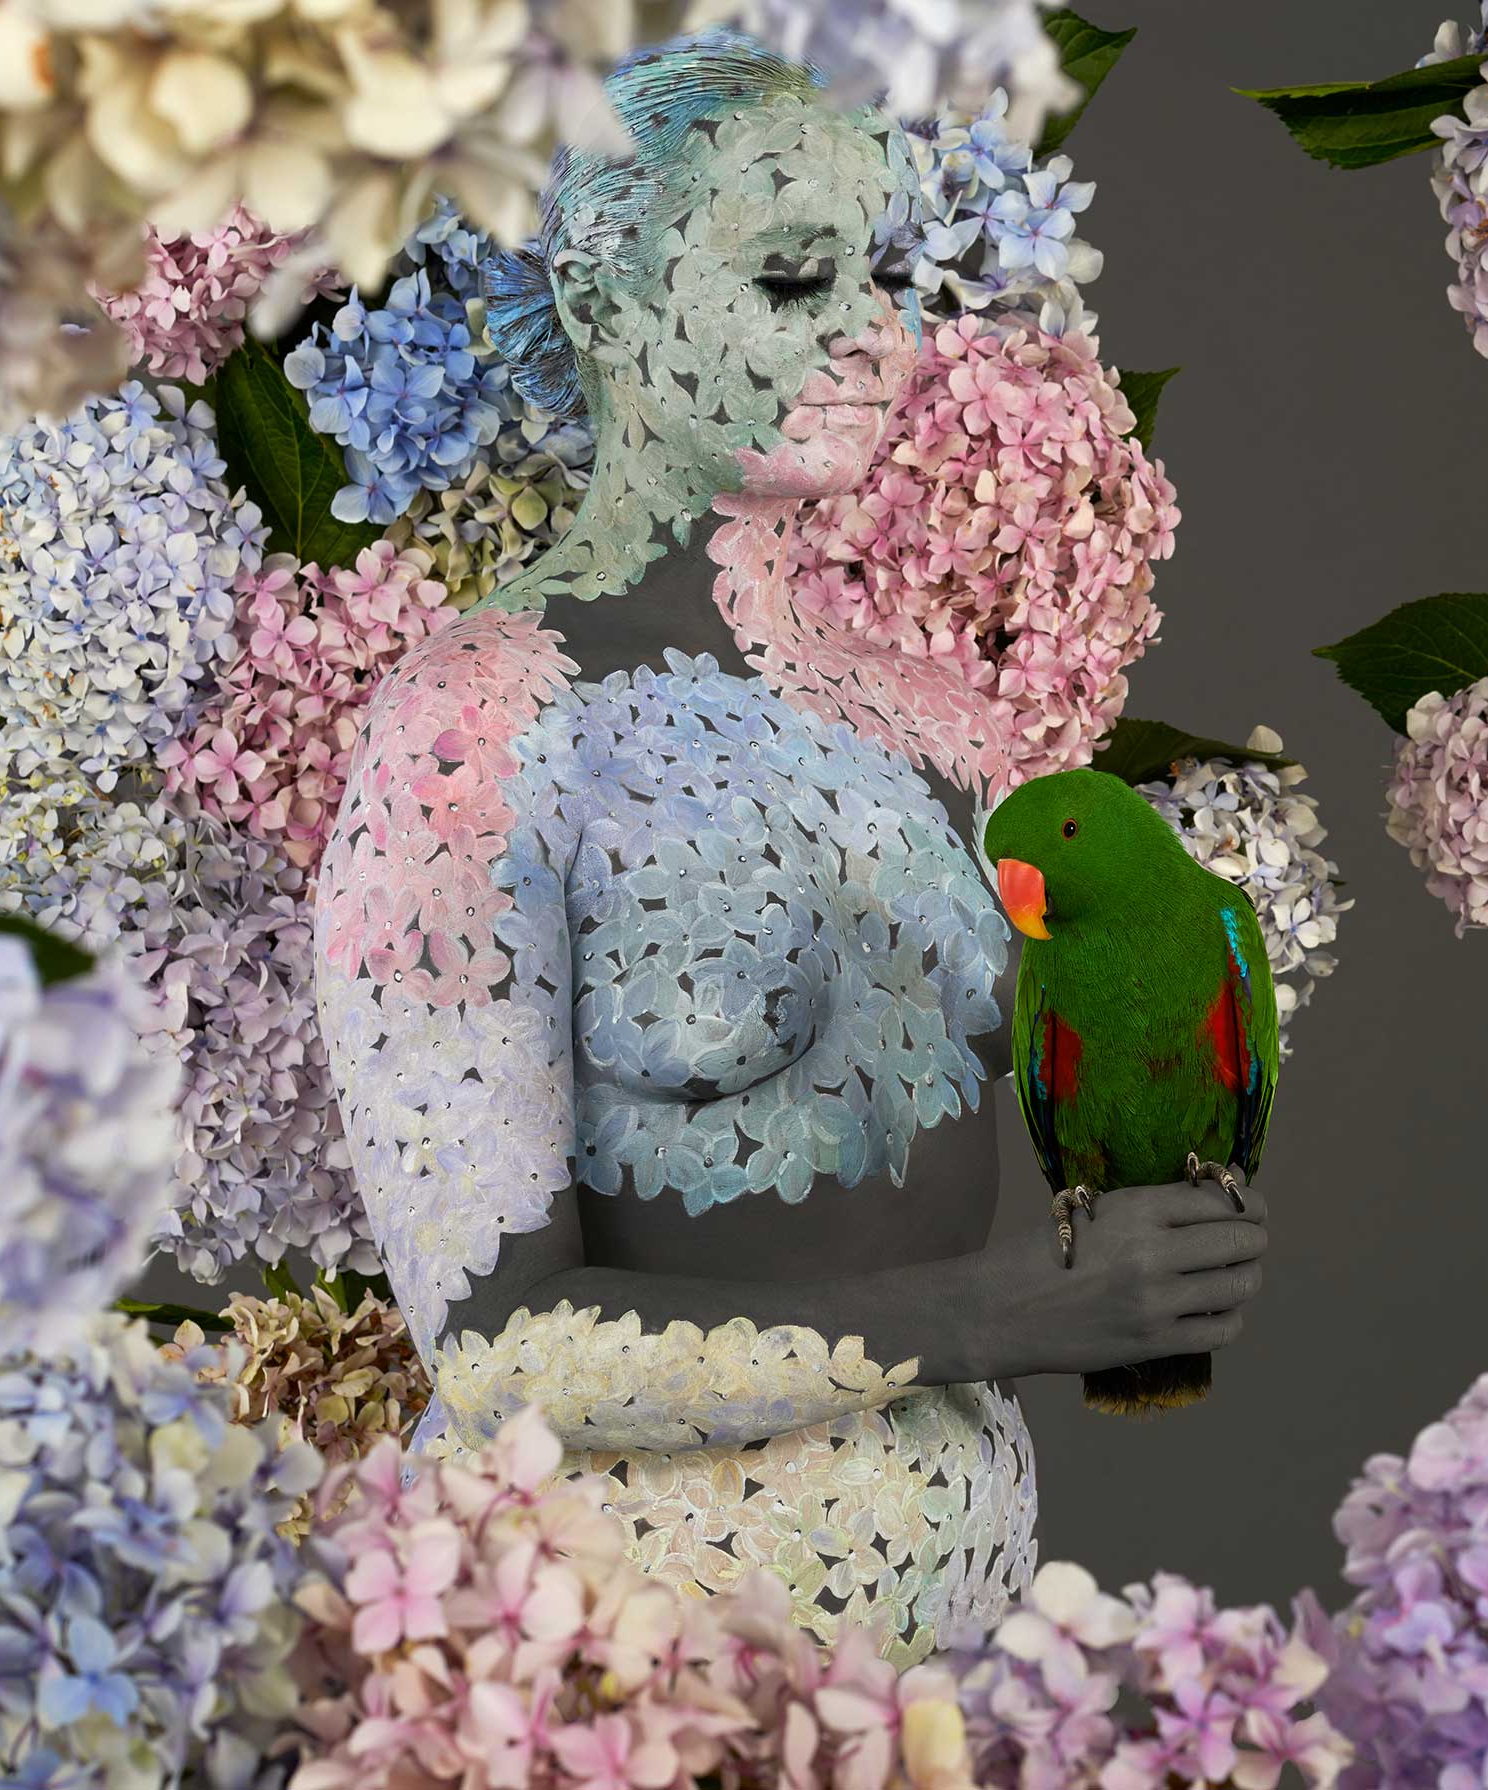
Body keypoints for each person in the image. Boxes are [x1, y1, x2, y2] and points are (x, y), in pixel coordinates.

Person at [313, 31, 1272, 1663]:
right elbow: (497, 1351)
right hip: (611, 1670)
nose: (869, 333)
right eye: (792, 275)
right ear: (605, 301)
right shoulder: (465, 735)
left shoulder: (903, 698)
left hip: (953, 1667)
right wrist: (1019, 1308)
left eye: (883, 274)